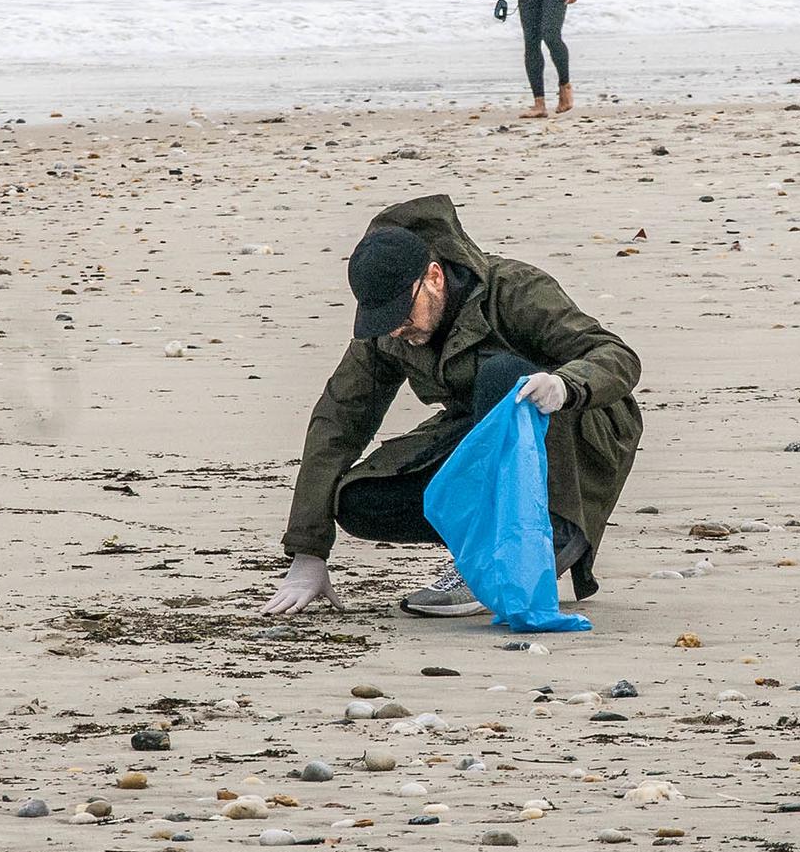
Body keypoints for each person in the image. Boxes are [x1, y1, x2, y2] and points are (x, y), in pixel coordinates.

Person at [260, 194, 641, 619]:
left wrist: (564, 384)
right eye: (384, 320)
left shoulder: (514, 289)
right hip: (479, 431)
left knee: (503, 377)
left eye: (403, 313)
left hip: (576, 432)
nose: (397, 329)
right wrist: (308, 553)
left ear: (435, 277)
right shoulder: (390, 332)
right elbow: (338, 421)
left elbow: (617, 356)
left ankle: (535, 542)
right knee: (359, 500)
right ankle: (484, 545)